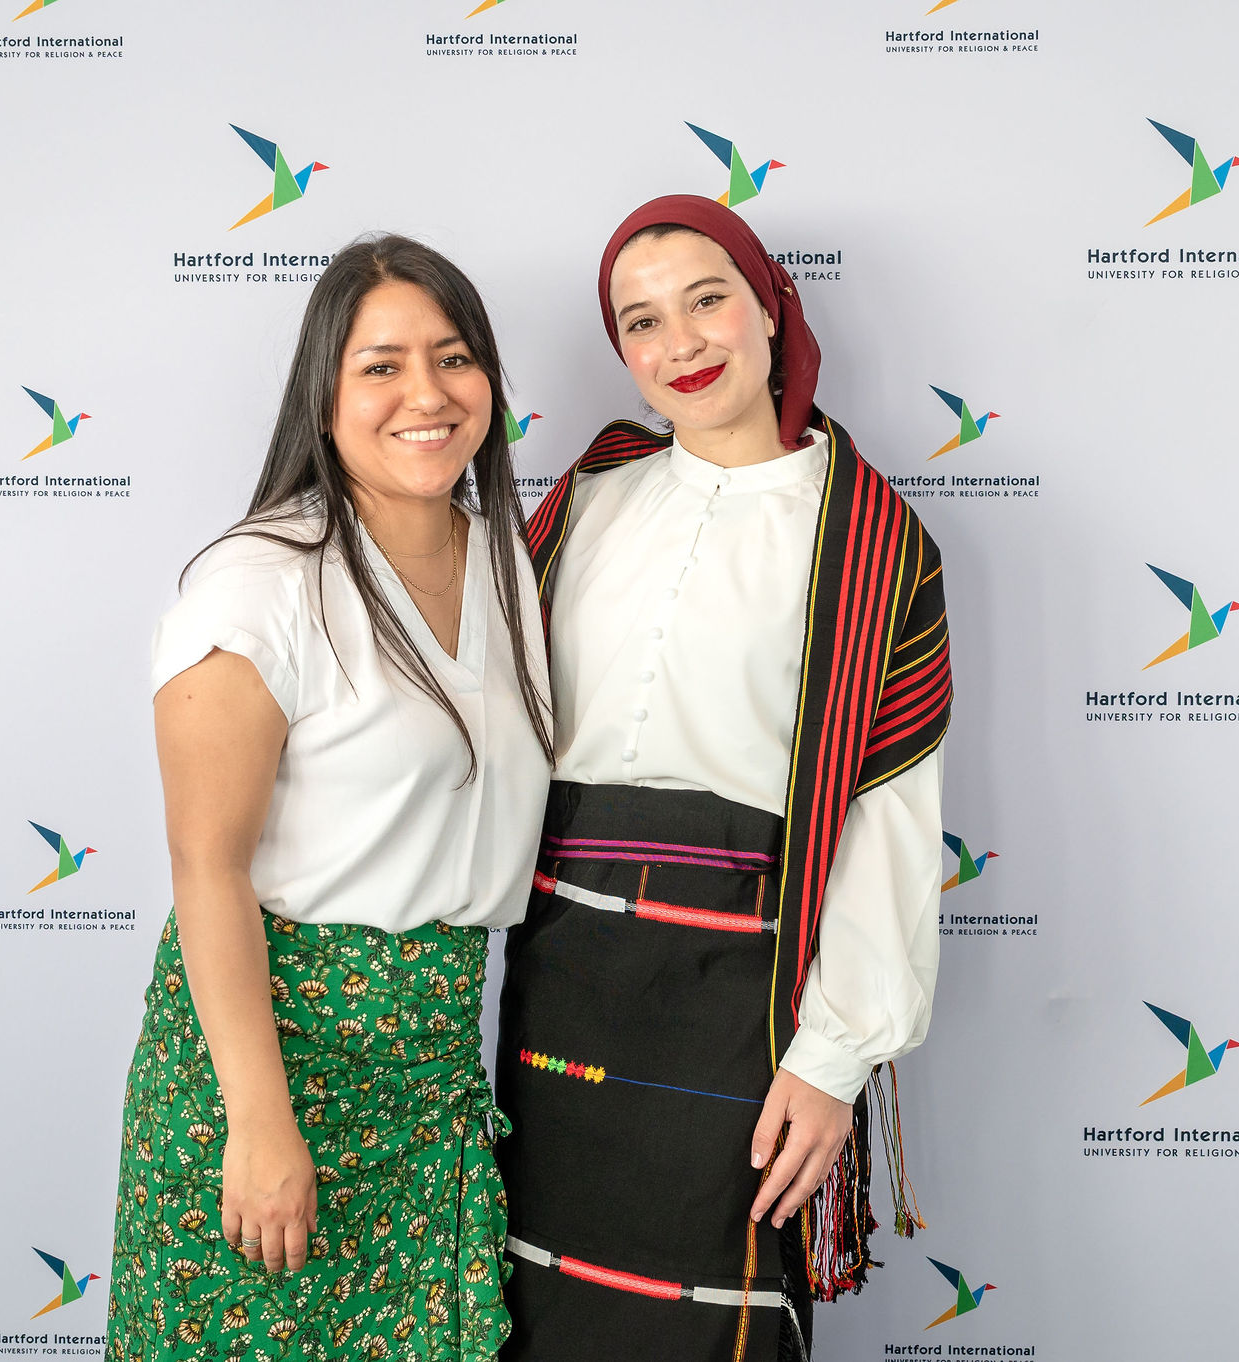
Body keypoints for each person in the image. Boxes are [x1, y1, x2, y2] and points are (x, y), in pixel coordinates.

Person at [495, 196, 952, 1361]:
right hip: (562, 971)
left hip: (741, 997)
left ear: (767, 307)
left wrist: (831, 1056)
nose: (681, 344)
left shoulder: (869, 540)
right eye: (640, 322)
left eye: (706, 300)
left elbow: (888, 820)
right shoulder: (588, 497)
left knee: (710, 1320)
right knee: (535, 1301)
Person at [108, 235, 553, 1361]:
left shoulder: (514, 562)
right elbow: (207, 866)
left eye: (453, 359)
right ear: (323, 395)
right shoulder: (258, 584)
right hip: (271, 1063)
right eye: (382, 366)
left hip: (431, 1073)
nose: (426, 394)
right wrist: (258, 1125)